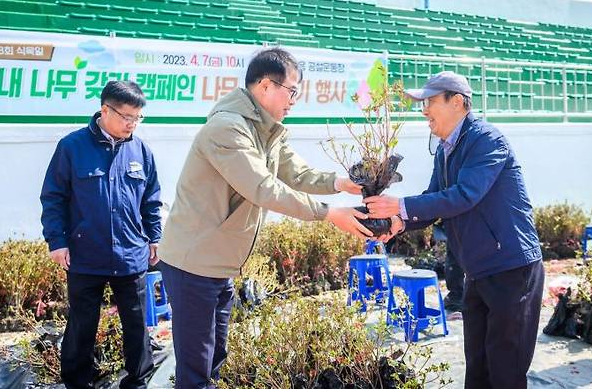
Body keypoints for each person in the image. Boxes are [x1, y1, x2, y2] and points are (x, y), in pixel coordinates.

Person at [157, 47, 372, 388]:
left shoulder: (265, 129)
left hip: (218, 264)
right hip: (192, 264)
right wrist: (329, 213)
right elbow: (264, 188)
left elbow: (296, 172)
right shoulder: (228, 129)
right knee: (196, 370)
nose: (294, 100)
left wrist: (339, 183)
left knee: (214, 359)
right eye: (292, 91)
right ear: (265, 86)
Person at [366, 71, 544, 389]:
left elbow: (464, 196)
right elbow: (433, 200)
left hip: (511, 270)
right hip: (477, 271)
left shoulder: (486, 140)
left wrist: (399, 205)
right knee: (477, 369)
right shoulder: (445, 149)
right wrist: (398, 223)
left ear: (458, 102)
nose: (424, 110)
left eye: (431, 101)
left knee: (505, 371)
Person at [40, 81, 162, 389]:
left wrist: (154, 236)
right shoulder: (72, 147)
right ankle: (78, 383)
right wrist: (57, 241)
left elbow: (151, 198)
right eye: (126, 116)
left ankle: (137, 382)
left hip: (131, 253)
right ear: (104, 110)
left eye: (138, 117)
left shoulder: (141, 150)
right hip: (85, 254)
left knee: (136, 326)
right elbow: (53, 197)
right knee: (82, 325)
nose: (132, 123)